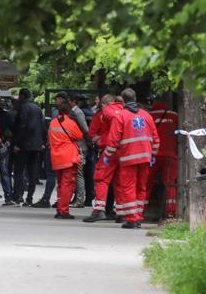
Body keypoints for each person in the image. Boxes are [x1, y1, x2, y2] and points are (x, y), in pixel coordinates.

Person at [104, 88, 159, 229]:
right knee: (142, 187)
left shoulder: (121, 116)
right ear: (135, 98)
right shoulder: (147, 115)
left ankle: (132, 219)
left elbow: (113, 140)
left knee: (128, 187)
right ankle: (139, 216)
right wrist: (152, 154)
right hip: (145, 157)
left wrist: (107, 155)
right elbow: (155, 138)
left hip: (128, 157)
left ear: (122, 100)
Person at [83, 94, 124, 222]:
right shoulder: (124, 112)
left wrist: (101, 140)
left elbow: (92, 134)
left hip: (108, 150)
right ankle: (122, 212)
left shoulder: (103, 114)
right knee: (119, 181)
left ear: (103, 104)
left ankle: (99, 210)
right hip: (124, 150)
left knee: (101, 178)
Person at [48, 100, 85, 219]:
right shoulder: (71, 123)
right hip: (69, 158)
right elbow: (79, 136)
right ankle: (64, 210)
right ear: (69, 111)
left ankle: (60, 208)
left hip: (56, 158)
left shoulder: (53, 122)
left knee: (60, 185)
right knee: (67, 185)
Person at [55, 91, 91, 208]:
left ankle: (80, 199)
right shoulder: (72, 112)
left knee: (79, 174)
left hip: (79, 146)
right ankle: (77, 198)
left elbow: (85, 129)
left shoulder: (77, 113)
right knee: (76, 174)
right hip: (75, 145)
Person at [10, 88, 46, 205]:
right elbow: (43, 126)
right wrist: (42, 141)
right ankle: (29, 198)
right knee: (32, 172)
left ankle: (18, 196)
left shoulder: (23, 107)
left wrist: (16, 143)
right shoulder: (37, 108)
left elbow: (21, 126)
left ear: (22, 96)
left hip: (24, 145)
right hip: (36, 145)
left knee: (19, 171)